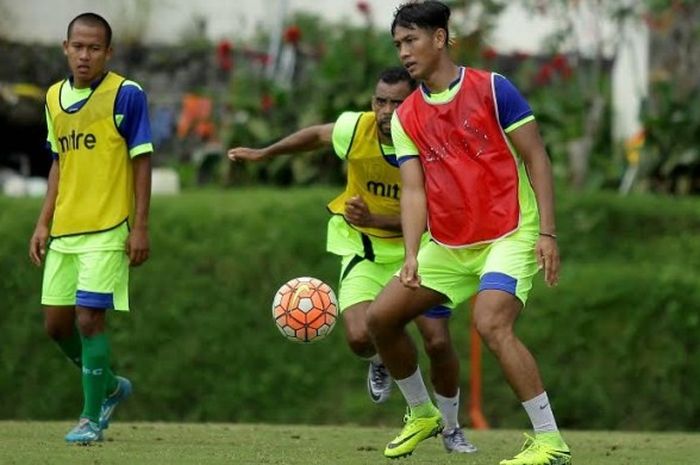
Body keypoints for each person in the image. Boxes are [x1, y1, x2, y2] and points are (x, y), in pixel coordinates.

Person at [228, 67, 476, 454]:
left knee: (438, 343)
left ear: (414, 103)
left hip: (423, 253)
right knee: (361, 338)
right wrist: (265, 152)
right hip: (364, 251)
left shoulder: (432, 143)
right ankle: (383, 360)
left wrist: (376, 217)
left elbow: (439, 213)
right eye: (380, 101)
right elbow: (316, 135)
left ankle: (452, 428)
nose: (386, 111)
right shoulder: (356, 129)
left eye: (397, 102)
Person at [366, 2, 571, 463]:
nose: (404, 52)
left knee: (491, 323)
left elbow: (537, 156)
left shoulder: (494, 89)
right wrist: (413, 254)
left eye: (411, 40)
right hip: (450, 245)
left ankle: (550, 441)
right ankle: (422, 412)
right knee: (381, 318)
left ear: (440, 38)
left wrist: (548, 234)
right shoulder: (406, 117)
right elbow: (414, 191)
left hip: (509, 233)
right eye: (398, 44)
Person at [28, 12, 153, 444]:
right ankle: (112, 387)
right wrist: (43, 222)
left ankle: (90, 418)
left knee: (88, 319)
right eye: (77, 46)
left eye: (94, 48)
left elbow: (142, 160)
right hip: (65, 228)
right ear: (66, 48)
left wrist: (140, 226)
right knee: (56, 326)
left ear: (108, 52)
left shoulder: (127, 95)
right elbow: (59, 161)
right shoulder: (52, 98)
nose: (85, 55)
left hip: (108, 228)